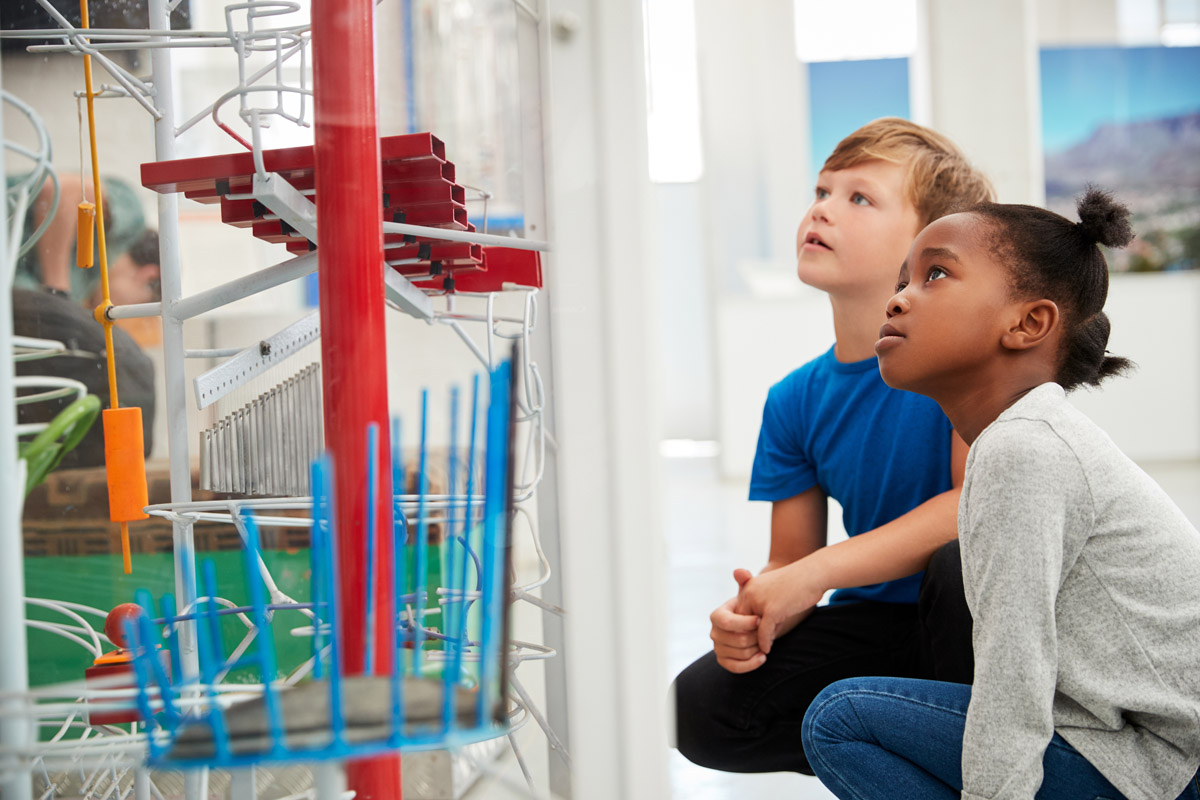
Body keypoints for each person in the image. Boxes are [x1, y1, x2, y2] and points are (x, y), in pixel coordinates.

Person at [799, 189, 1200, 799]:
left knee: (843, 717)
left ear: (1028, 323)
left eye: (935, 274)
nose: (898, 297)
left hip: (1169, 763)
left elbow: (1016, 679)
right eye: (904, 278)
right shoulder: (1024, 437)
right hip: (1139, 744)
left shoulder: (1024, 449)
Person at [672, 118, 994, 775]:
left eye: (859, 198)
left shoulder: (965, 365)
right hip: (876, 627)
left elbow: (975, 506)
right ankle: (911, 756)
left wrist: (813, 574)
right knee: (699, 708)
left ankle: (981, 755)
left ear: (928, 246)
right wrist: (754, 614)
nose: (821, 207)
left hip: (980, 624)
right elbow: (789, 560)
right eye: (822, 190)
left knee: (956, 565)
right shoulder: (793, 400)